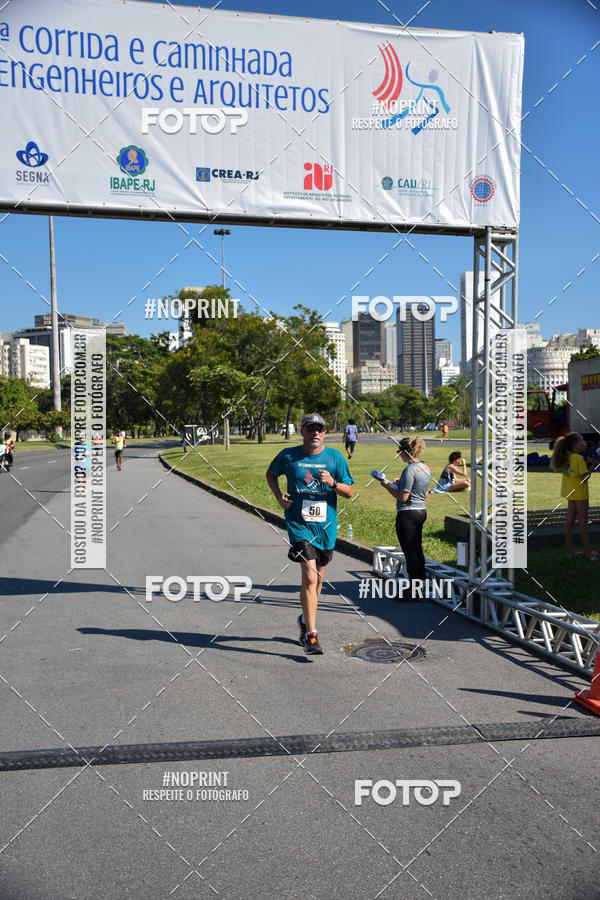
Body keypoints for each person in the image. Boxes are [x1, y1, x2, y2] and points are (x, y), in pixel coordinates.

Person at [266, 413, 353, 655]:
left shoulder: (335, 458)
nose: (316, 433)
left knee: (318, 580)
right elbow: (271, 474)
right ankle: (311, 636)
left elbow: (348, 492)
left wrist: (333, 483)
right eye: (311, 428)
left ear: (324, 432)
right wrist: (278, 496)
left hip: (325, 528)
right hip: (299, 525)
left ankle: (305, 619)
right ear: (302, 431)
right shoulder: (288, 455)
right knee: (310, 576)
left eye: (320, 429)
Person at [378, 436, 431, 598]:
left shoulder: (409, 470)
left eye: (399, 451)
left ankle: (413, 590)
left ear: (405, 451)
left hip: (407, 513)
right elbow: (423, 492)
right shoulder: (425, 467)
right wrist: (401, 482)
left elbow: (403, 497)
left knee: (410, 552)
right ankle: (421, 584)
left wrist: (386, 485)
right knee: (417, 549)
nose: (398, 454)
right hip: (421, 510)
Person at [551, 431, 597, 561]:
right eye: (582, 440)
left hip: (570, 493)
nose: (585, 442)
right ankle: (589, 553)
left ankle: (570, 552)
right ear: (575, 445)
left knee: (569, 521)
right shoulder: (579, 458)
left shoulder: (567, 457)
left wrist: (586, 463)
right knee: (583, 522)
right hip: (580, 494)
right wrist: (592, 467)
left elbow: (574, 471)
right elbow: (584, 478)